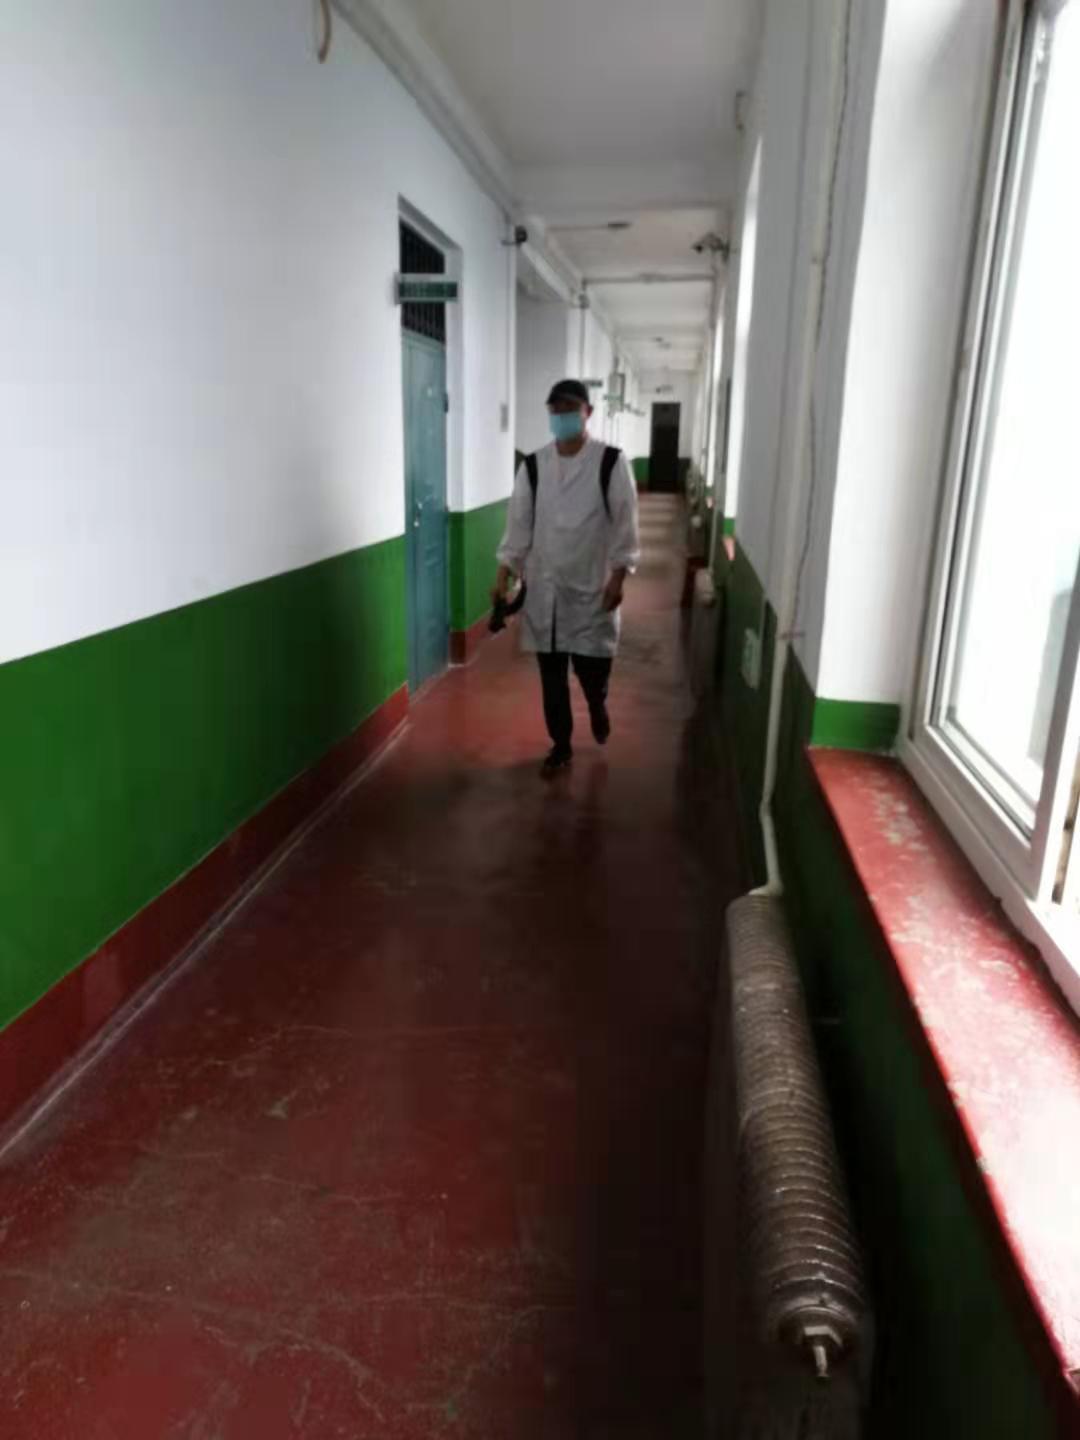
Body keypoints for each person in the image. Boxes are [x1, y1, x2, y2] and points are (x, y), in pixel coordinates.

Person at [494, 379, 641, 777]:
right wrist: (503, 574)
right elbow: (518, 527)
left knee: (592, 670)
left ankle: (597, 703)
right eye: (555, 410)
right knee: (552, 679)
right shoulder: (533, 467)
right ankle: (561, 745)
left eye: (569, 409)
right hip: (545, 592)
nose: (561, 417)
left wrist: (619, 578)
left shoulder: (610, 462)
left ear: (587, 412)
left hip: (593, 588)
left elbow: (625, 525)